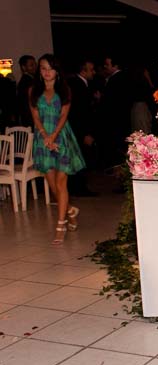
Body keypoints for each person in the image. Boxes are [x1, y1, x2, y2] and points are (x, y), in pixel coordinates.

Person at [29, 54, 85, 244]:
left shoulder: (65, 90)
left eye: (50, 68)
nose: (46, 72)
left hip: (61, 138)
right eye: (43, 68)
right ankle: (70, 210)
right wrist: (45, 136)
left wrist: (53, 136)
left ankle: (61, 225)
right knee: (53, 186)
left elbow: (63, 117)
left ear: (57, 71)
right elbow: (35, 118)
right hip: (42, 139)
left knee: (61, 184)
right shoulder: (33, 91)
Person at [67, 59, 98, 197]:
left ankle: (78, 187)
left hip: (78, 129)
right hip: (79, 130)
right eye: (91, 69)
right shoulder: (78, 85)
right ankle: (79, 188)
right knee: (80, 157)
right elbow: (80, 113)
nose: (94, 72)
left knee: (79, 158)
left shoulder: (80, 84)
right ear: (83, 71)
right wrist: (86, 133)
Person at [17, 55, 37, 127]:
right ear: (24, 67)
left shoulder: (30, 80)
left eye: (35, 64)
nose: (35, 66)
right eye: (31, 65)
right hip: (31, 118)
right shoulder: (27, 82)